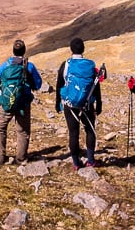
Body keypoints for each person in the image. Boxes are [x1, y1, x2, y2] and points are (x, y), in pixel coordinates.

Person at [0, 39, 42, 165]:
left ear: (13, 51)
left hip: (6, 102)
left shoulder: (6, 65)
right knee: (23, 130)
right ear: (24, 51)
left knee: (0, 127)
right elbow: (38, 84)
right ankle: (21, 158)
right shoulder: (28, 66)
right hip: (23, 103)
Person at [55, 37, 102, 170]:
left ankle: (76, 162)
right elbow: (96, 86)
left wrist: (58, 102)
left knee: (73, 133)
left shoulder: (66, 65)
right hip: (87, 104)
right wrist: (99, 103)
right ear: (83, 49)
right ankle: (91, 160)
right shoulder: (90, 65)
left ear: (71, 49)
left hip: (70, 105)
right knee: (90, 131)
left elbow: (59, 85)